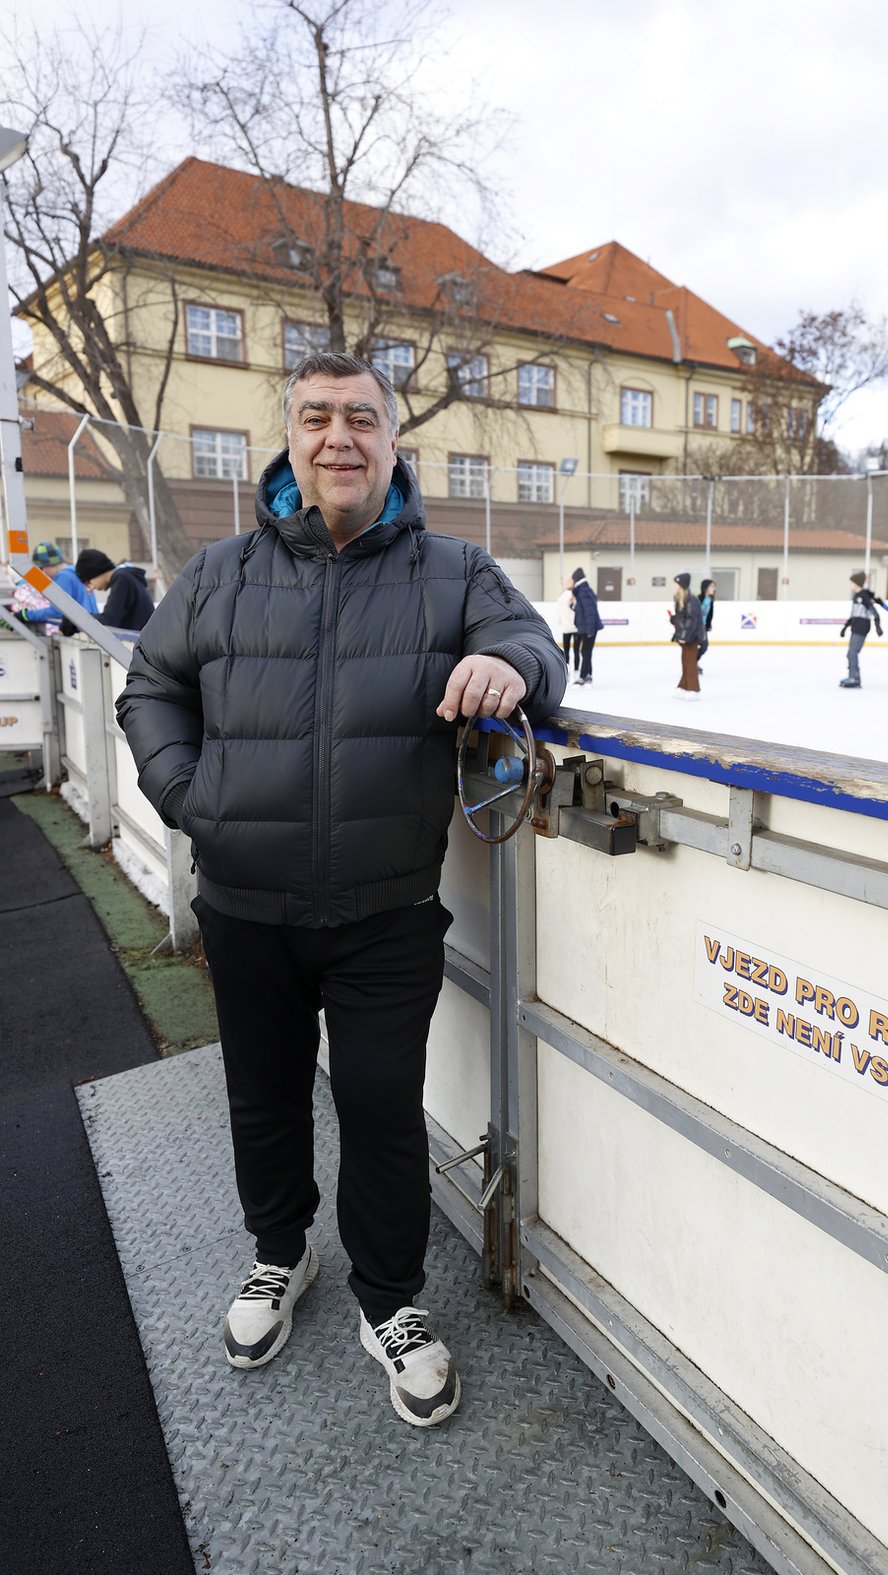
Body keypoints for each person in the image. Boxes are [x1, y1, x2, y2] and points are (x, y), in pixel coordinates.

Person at [116, 351, 566, 1429]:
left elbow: (535, 648)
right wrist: (193, 797)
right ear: (290, 437)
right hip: (248, 904)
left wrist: (508, 665)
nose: (339, 439)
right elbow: (152, 686)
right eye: (316, 418)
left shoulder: (452, 571)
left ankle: (390, 1302)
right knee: (263, 1098)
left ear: (392, 439)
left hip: (386, 914)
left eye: (361, 418)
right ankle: (280, 1256)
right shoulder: (222, 573)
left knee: (378, 1110)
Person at [12, 542, 99, 630]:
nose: (43, 574)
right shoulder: (75, 571)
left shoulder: (63, 578)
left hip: (81, 631)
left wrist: (25, 615)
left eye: (41, 569)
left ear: (46, 566)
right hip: (94, 630)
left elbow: (57, 611)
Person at [76, 548, 155, 632]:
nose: (91, 588)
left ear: (95, 572)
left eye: (88, 583)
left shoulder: (122, 579)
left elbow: (108, 620)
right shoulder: (126, 577)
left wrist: (78, 619)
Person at [838, 570, 882, 688]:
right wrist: (846, 627)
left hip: (862, 627)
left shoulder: (863, 596)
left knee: (853, 652)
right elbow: (854, 613)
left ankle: (855, 678)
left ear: (856, 583)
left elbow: (873, 611)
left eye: (851, 582)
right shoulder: (857, 596)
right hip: (855, 626)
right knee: (850, 653)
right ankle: (852, 675)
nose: (850, 585)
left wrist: (877, 625)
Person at [668, 572, 701, 697]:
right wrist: (674, 619)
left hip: (692, 636)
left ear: (682, 585)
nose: (674, 586)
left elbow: (692, 621)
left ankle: (694, 689)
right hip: (686, 636)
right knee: (685, 661)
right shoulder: (679, 598)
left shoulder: (691, 599)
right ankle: (684, 686)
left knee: (690, 662)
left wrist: (684, 637)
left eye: (676, 584)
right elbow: (683, 617)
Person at [570, 566, 603, 686]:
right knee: (585, 652)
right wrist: (572, 606)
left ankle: (584, 676)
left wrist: (589, 630)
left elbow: (590, 612)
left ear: (576, 580)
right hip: (587, 627)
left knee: (586, 651)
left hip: (589, 627)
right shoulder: (583, 590)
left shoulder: (583, 591)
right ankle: (587, 674)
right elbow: (583, 609)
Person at [556, 572, 579, 673]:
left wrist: (560, 621)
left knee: (566, 650)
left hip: (566, 627)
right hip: (576, 626)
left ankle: (567, 668)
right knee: (577, 650)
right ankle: (577, 670)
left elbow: (559, 613)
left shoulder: (561, 597)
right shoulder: (576, 596)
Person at [698, 579, 715, 672]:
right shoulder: (698, 599)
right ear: (706, 588)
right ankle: (692, 664)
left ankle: (693, 661)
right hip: (695, 627)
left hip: (703, 627)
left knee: (704, 646)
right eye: (711, 586)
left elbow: (710, 614)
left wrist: (708, 625)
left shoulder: (710, 600)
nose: (713, 588)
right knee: (695, 646)